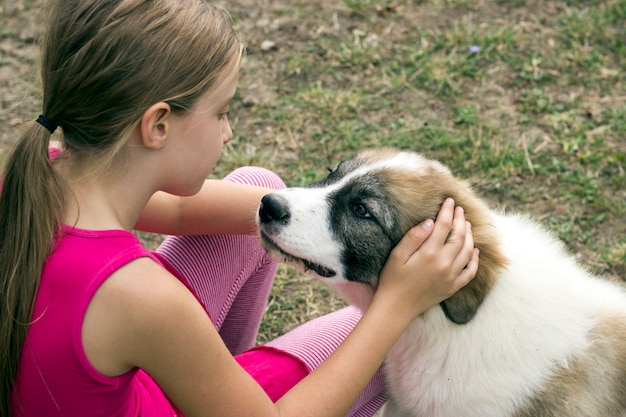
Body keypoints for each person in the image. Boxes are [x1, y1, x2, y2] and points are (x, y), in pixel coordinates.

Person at [0, 1, 480, 416]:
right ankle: (227, 392)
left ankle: (220, 387)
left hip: (128, 384)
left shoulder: (37, 175)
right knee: (376, 338)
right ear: (158, 125)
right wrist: (395, 306)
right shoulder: (140, 297)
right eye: (222, 112)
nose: (228, 132)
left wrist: (317, 216)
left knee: (259, 189)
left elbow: (189, 214)